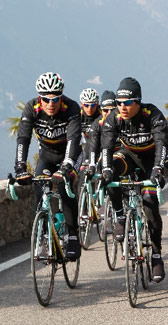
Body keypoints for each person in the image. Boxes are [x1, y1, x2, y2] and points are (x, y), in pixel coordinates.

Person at [101, 77, 168, 283]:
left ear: (138, 102)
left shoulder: (153, 115)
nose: (122, 106)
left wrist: (158, 170)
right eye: (119, 102)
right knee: (111, 172)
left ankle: (156, 256)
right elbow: (106, 146)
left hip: (150, 162)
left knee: (150, 207)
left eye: (128, 102)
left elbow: (161, 145)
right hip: (128, 156)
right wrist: (105, 170)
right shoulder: (114, 117)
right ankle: (120, 217)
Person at [14, 72, 83, 259]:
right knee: (39, 186)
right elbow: (23, 139)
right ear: (39, 97)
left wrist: (66, 167)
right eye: (46, 98)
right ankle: (44, 235)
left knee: (64, 185)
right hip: (47, 155)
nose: (50, 103)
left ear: (61, 96)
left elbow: (74, 140)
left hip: (71, 154)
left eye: (55, 98)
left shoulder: (72, 108)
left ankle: (73, 236)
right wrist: (20, 167)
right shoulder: (32, 108)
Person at [88, 90, 117, 176]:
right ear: (101, 110)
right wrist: (92, 165)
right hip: (105, 153)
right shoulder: (96, 124)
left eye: (112, 110)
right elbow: (93, 147)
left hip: (122, 153)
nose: (109, 113)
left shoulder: (122, 121)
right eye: (105, 110)